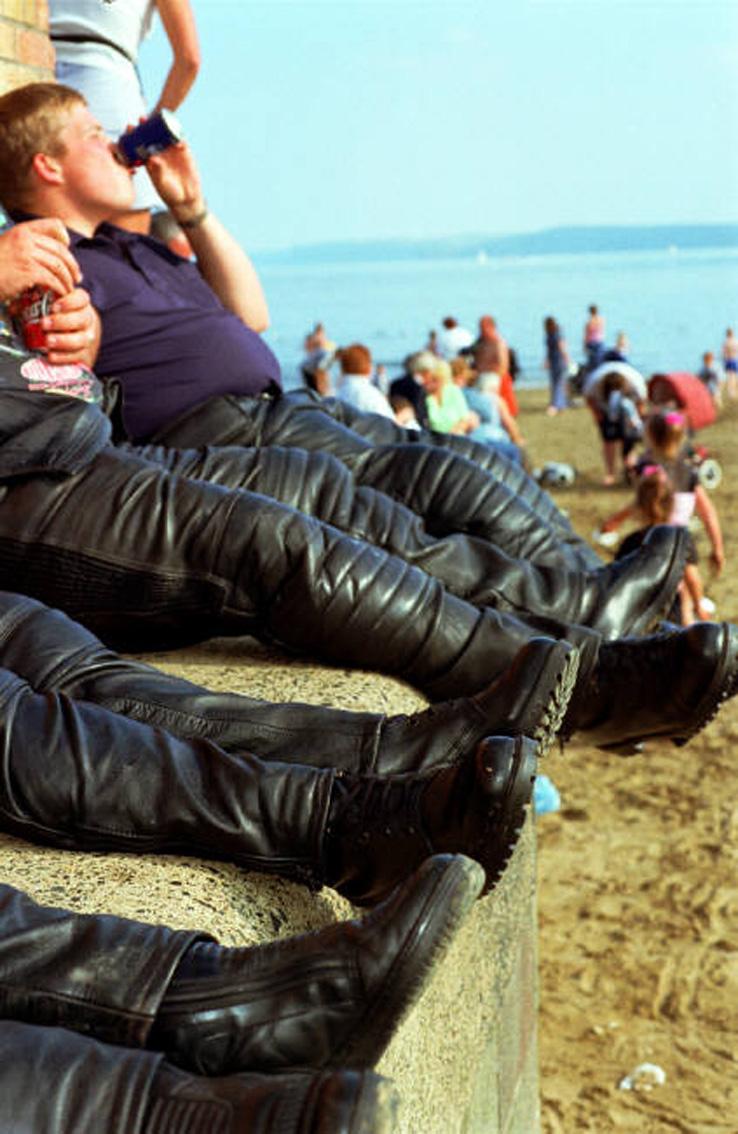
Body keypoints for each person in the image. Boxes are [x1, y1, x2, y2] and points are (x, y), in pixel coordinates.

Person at [49, 0, 200, 233]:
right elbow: (189, 60)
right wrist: (148, 132)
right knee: (124, 249)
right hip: (109, 86)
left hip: (27, 69)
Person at [598, 467, 712, 625]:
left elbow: (617, 577)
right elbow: (692, 578)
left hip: (635, 606)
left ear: (638, 507)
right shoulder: (679, 540)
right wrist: (698, 605)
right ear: (673, 505)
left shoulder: (631, 541)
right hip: (670, 603)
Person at [637, 410, 725, 577]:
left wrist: (614, 521)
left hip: (652, 541)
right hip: (681, 540)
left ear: (650, 438)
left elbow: (636, 507)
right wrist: (717, 548)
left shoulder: (649, 473)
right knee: (688, 582)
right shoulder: (687, 472)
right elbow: (708, 513)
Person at [450, 355, 523, 462]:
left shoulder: (447, 396)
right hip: (488, 439)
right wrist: (518, 440)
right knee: (513, 453)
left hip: (467, 441)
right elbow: (508, 423)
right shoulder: (479, 397)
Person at [593, 370, 643, 486]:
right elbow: (634, 417)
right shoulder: (626, 401)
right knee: (628, 452)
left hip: (622, 427)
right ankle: (631, 475)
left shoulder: (614, 399)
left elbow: (613, 415)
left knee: (624, 452)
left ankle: (621, 474)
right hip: (631, 429)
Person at [470, 315, 519, 418]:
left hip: (493, 378)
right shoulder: (481, 343)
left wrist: (487, 372)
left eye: (483, 327)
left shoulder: (498, 343)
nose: (481, 330)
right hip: (482, 377)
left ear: (491, 327)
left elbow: (503, 366)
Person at [421, 357, 480, 436]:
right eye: (427, 379)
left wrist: (452, 434)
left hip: (455, 437)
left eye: (434, 379)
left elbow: (464, 418)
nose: (428, 383)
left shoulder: (453, 391)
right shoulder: (423, 397)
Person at [335, 342, 394, 419]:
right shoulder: (372, 395)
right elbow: (391, 426)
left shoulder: (337, 394)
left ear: (342, 366)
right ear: (368, 366)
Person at [543, 315, 570, 416]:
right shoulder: (556, 334)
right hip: (558, 360)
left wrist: (566, 358)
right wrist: (567, 358)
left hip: (556, 361)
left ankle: (556, 404)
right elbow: (561, 348)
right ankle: (559, 404)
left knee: (556, 383)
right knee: (559, 383)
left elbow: (559, 348)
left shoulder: (551, 335)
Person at [583, 304, 605, 370]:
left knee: (591, 361)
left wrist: (584, 346)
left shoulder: (589, 322)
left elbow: (586, 335)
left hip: (591, 343)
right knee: (600, 360)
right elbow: (602, 331)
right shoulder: (601, 320)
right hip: (599, 342)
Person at [721, 327, 738, 399]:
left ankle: (731, 392)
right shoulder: (736, 341)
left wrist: (724, 359)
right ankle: (733, 391)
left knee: (729, 377)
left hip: (729, 360)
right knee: (734, 376)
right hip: (734, 360)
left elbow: (723, 353)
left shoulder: (726, 342)